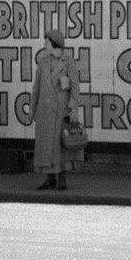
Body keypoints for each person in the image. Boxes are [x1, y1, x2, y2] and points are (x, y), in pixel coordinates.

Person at [33, 27, 81, 191]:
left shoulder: (69, 62)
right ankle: (49, 178)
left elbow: (75, 87)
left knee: (60, 145)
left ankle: (61, 178)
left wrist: (74, 108)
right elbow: (36, 88)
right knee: (46, 145)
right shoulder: (43, 61)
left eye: (47, 41)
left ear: (54, 43)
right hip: (45, 110)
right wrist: (33, 110)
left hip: (61, 110)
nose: (45, 44)